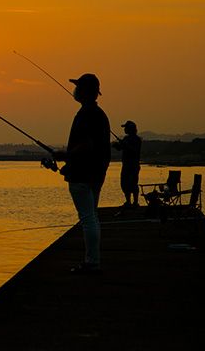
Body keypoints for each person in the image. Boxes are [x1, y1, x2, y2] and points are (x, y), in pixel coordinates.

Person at [53, 73, 111, 274]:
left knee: (87, 218)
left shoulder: (86, 114)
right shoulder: (99, 114)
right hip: (96, 173)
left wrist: (65, 154)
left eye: (78, 87)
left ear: (84, 92)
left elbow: (87, 145)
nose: (74, 90)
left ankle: (91, 262)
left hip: (83, 174)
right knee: (92, 216)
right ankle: (93, 259)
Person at [112, 120, 141, 208]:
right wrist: (116, 145)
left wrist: (125, 145)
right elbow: (120, 148)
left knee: (133, 183)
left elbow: (134, 150)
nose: (124, 129)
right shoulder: (126, 138)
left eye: (126, 128)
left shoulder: (137, 139)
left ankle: (135, 202)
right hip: (126, 165)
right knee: (124, 183)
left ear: (131, 129)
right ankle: (128, 202)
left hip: (133, 165)